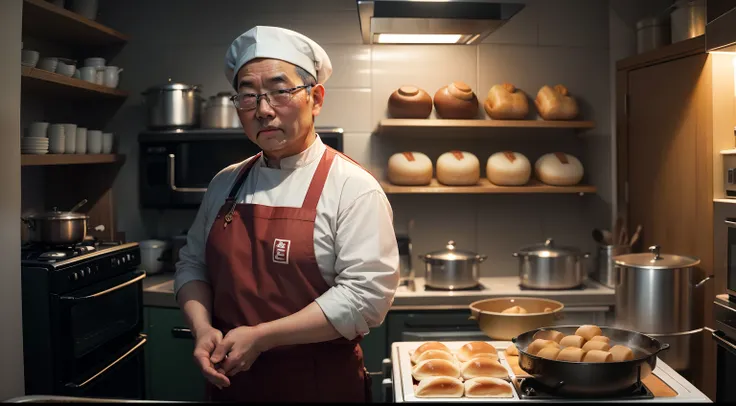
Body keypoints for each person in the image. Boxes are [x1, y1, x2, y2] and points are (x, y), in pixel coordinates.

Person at [173, 25, 400, 403]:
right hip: (232, 386)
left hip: (319, 386)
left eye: (281, 91)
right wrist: (201, 329)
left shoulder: (352, 187)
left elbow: (365, 297)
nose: (263, 111)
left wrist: (262, 337)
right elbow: (192, 265)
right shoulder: (225, 184)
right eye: (248, 96)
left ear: (316, 99)